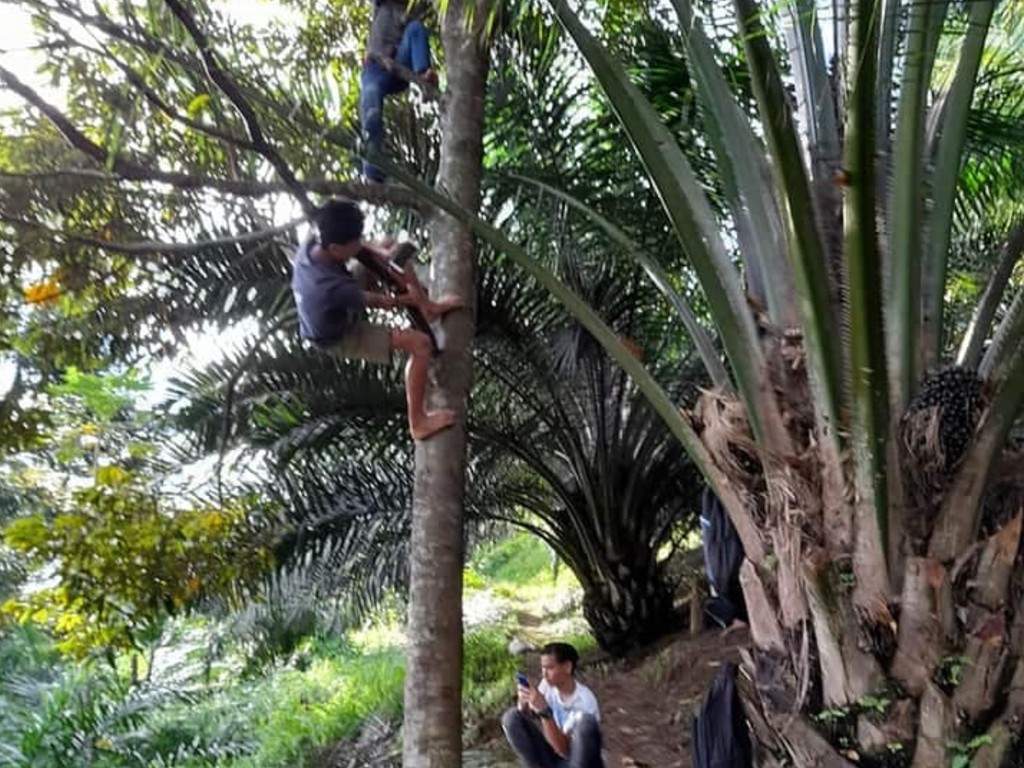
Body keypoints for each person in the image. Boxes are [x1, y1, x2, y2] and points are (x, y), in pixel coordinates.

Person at [291, 198, 462, 440]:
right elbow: (382, 301)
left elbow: (361, 249)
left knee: (391, 247)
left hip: (337, 301)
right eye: (353, 243)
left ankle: (429, 309)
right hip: (337, 334)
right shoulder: (328, 288)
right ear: (336, 249)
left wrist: (383, 252)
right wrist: (408, 298)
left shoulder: (316, 238)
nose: (359, 244)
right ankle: (418, 422)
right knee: (420, 344)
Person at [360, 0, 438, 182]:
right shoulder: (381, 4)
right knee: (371, 113)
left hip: (399, 66)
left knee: (416, 28)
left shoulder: (412, 8)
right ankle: (373, 174)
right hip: (375, 67)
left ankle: (424, 76)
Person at [502, 642, 604, 768]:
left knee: (585, 723)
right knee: (512, 717)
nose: (544, 674)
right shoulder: (547, 687)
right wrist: (523, 706)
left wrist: (545, 712)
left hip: (581, 762)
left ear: (567, 667)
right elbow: (529, 724)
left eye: (550, 668)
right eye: (543, 668)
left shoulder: (585, 700)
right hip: (554, 760)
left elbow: (564, 750)